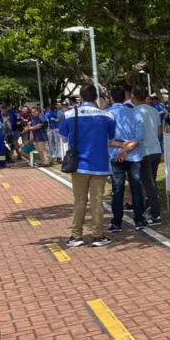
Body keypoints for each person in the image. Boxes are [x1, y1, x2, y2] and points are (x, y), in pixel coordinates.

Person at [59, 84, 120, 247]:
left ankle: (76, 236)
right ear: (96, 98)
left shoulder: (69, 114)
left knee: (79, 201)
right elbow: (110, 139)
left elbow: (63, 139)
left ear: (80, 98)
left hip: (78, 165)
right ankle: (98, 236)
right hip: (100, 165)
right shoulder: (108, 116)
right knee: (97, 201)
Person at [107, 87, 146, 233]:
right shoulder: (135, 112)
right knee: (136, 187)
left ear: (111, 98)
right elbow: (139, 137)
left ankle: (117, 222)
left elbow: (106, 139)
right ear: (125, 97)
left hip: (115, 155)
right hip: (134, 155)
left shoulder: (106, 115)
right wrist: (127, 147)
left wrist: (121, 147)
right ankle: (139, 219)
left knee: (117, 189)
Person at [132, 86, 163, 226]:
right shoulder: (154, 110)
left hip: (144, 151)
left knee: (148, 183)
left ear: (133, 97)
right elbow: (159, 131)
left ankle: (155, 213)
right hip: (156, 149)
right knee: (151, 182)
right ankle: (150, 205)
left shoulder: (134, 112)